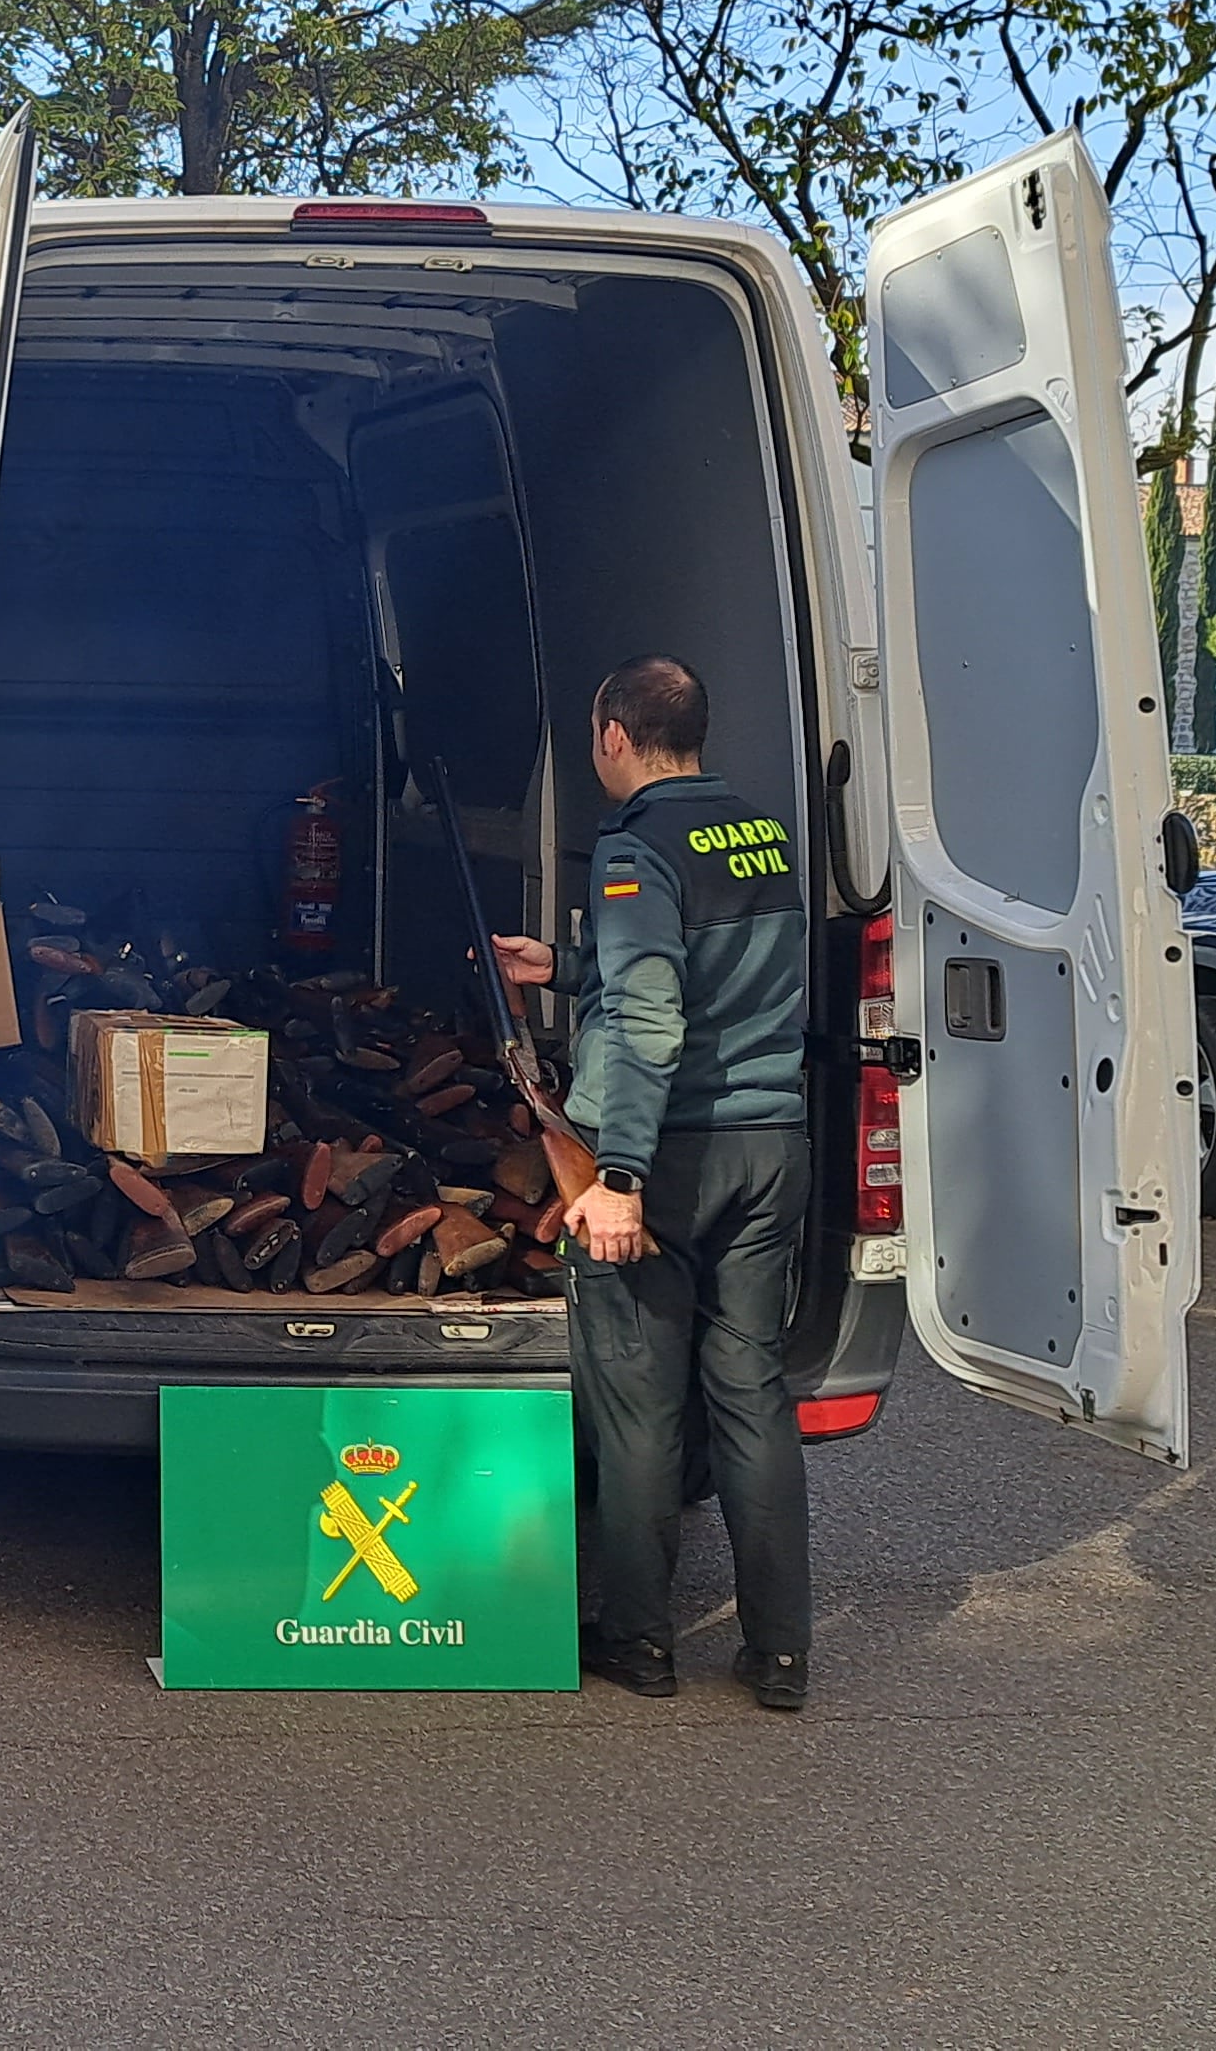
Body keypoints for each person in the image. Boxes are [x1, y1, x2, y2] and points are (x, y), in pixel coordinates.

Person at [483, 654, 816, 1712]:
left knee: (636, 1406)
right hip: (770, 1149)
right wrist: (566, 967)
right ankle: (778, 1653)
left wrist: (617, 1176)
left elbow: (649, 1018)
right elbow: (724, 979)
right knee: (751, 1398)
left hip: (670, 1156)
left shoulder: (636, 847)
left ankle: (639, 1641)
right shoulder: (758, 831)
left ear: (612, 735)